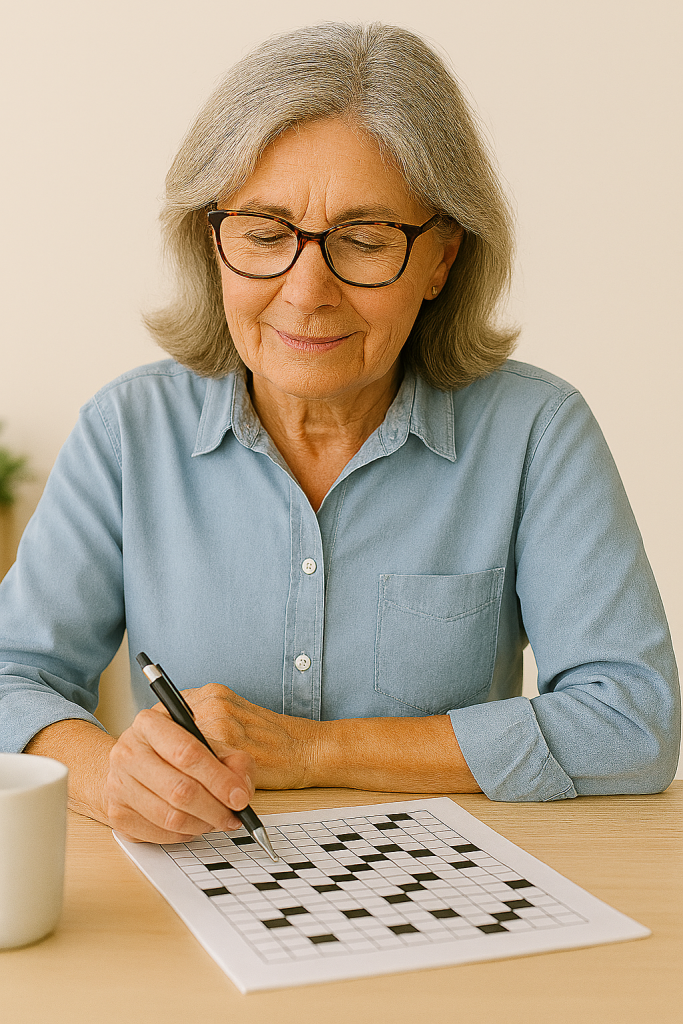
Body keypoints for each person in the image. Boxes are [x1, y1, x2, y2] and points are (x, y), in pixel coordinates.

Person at [0, 23, 679, 844]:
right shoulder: (126, 432)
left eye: (363, 241)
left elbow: (631, 724)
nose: (305, 290)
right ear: (209, 243)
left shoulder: (537, 431)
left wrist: (315, 750)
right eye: (262, 234)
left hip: (452, 899)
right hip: (196, 888)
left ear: (441, 260)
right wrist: (113, 777)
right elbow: (12, 675)